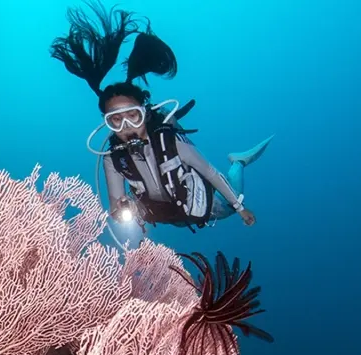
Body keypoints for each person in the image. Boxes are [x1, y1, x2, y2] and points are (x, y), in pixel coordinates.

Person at [51, 4, 273, 233]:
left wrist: (239, 207)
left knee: (224, 210)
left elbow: (210, 173)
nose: (126, 127)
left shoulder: (171, 143)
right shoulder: (114, 159)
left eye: (133, 116)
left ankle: (237, 162)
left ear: (144, 114)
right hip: (164, 214)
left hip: (196, 204)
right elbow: (115, 206)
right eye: (116, 120)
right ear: (107, 122)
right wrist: (122, 208)